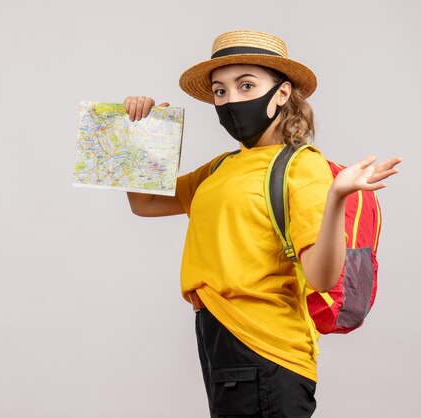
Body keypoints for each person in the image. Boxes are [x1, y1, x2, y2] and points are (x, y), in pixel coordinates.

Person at [123, 30, 401, 417]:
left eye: (246, 85)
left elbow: (321, 278)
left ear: (283, 93)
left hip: (265, 349)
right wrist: (142, 134)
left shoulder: (301, 166)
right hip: (218, 337)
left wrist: (337, 196)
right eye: (220, 91)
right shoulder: (222, 167)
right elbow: (146, 202)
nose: (231, 100)